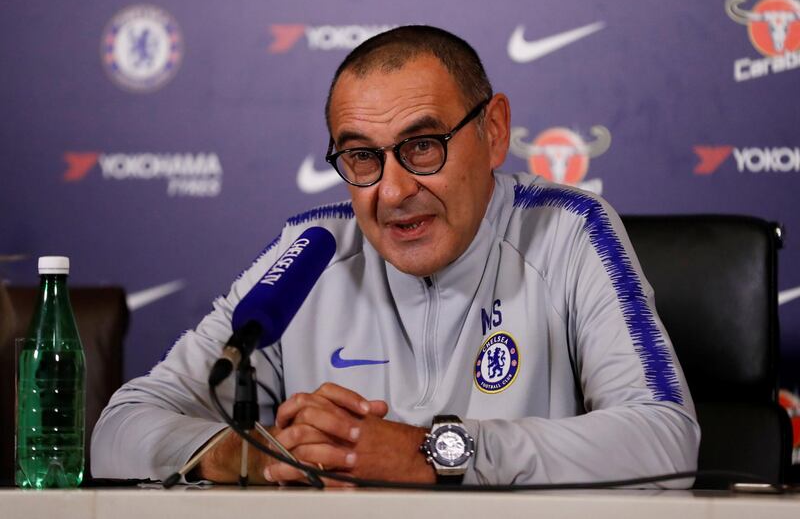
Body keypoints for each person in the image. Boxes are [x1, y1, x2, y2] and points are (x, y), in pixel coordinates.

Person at [91, 25, 699, 486]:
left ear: (493, 132)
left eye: (423, 146)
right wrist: (241, 454)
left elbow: (666, 442)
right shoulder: (310, 251)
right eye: (361, 157)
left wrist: (436, 452)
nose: (393, 191)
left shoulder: (567, 230)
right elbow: (119, 429)